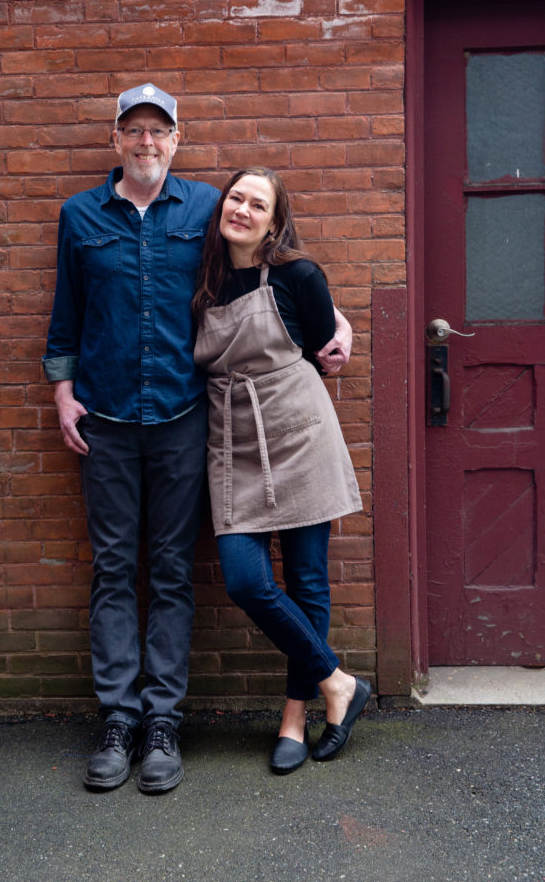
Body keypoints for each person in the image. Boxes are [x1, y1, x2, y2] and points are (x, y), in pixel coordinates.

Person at [43, 84, 353, 795]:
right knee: (116, 569)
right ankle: (118, 719)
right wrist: (63, 392)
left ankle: (161, 724)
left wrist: (334, 319)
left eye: (158, 130)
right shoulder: (80, 216)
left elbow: (266, 260)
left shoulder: (207, 209)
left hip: (187, 419)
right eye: (133, 130)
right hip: (107, 422)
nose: (146, 141)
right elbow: (67, 311)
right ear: (115, 140)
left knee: (176, 571)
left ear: (176, 139)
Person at [192, 167, 369, 775]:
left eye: (257, 204)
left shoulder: (298, 273)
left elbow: (325, 346)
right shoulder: (200, 279)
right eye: (235, 198)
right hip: (231, 440)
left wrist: (342, 331)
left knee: (307, 582)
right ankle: (338, 682)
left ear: (273, 221)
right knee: (245, 579)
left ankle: (295, 718)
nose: (242, 209)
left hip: (299, 434)